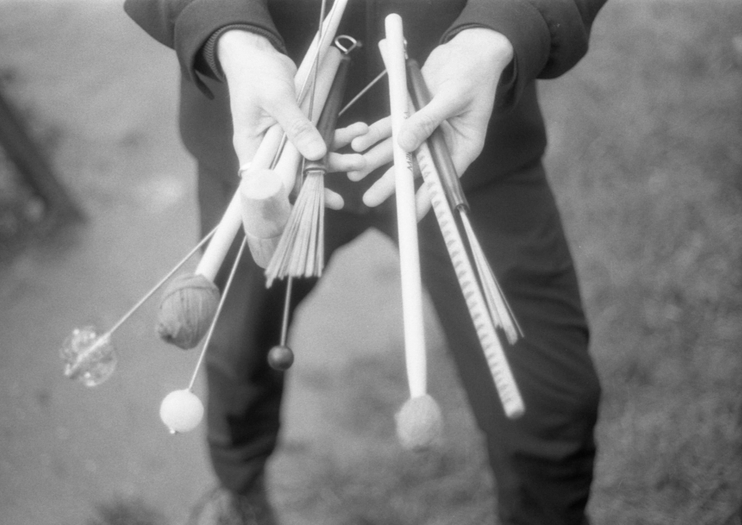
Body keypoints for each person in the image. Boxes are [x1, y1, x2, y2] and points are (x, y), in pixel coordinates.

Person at [124, 1, 606, 523]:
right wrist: (232, 36)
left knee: (547, 396)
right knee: (236, 352)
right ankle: (240, 493)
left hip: (457, 135)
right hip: (267, 136)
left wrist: (503, 29)